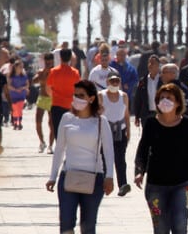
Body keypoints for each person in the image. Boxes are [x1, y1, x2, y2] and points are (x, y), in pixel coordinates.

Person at [46, 80, 115, 234]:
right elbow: (59, 149)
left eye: (81, 95)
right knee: (66, 224)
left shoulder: (100, 122)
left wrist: (110, 176)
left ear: (91, 98)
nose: (77, 98)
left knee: (88, 226)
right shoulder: (67, 118)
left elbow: (109, 151)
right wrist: (53, 176)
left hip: (94, 178)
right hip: (68, 176)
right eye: (75, 95)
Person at [135, 83, 188, 234]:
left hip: (182, 184)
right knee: (160, 229)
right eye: (162, 98)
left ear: (178, 102)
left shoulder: (186, 124)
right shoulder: (151, 123)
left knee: (180, 226)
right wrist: (139, 171)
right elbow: (143, 149)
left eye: (169, 98)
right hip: (156, 184)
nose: (165, 100)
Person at [98, 72, 132, 197]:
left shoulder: (124, 96)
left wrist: (128, 130)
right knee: (104, 158)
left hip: (120, 131)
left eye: (117, 81)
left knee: (120, 159)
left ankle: (123, 184)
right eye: (112, 81)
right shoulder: (101, 95)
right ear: (107, 82)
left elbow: (126, 114)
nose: (115, 83)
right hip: (105, 130)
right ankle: (104, 183)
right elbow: (97, 113)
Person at [48, 48, 81, 141]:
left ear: (60, 57)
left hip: (56, 104)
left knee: (57, 130)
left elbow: (48, 88)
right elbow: (78, 90)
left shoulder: (53, 71)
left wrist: (53, 96)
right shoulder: (75, 72)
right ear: (70, 57)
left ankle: (60, 149)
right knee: (70, 130)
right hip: (70, 105)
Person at [33, 53, 56, 154]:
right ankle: (42, 142)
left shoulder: (55, 72)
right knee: (38, 121)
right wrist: (43, 73)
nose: (48, 62)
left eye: (50, 60)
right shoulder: (41, 72)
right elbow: (33, 81)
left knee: (51, 124)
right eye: (46, 60)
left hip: (52, 99)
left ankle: (50, 146)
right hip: (42, 98)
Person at [133, 55, 162, 127]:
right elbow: (138, 99)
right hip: (146, 114)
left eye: (152, 63)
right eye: (149, 63)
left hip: (160, 114)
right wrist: (137, 116)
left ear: (158, 65)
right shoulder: (143, 81)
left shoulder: (163, 80)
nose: (150, 65)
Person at [8, 59, 30, 130]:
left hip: (21, 95)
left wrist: (23, 88)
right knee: (15, 109)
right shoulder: (12, 76)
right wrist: (15, 89)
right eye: (20, 67)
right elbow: (9, 85)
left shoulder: (24, 76)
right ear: (15, 67)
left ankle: (19, 122)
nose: (21, 68)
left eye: (22, 67)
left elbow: (27, 84)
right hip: (14, 95)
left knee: (19, 108)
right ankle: (15, 122)